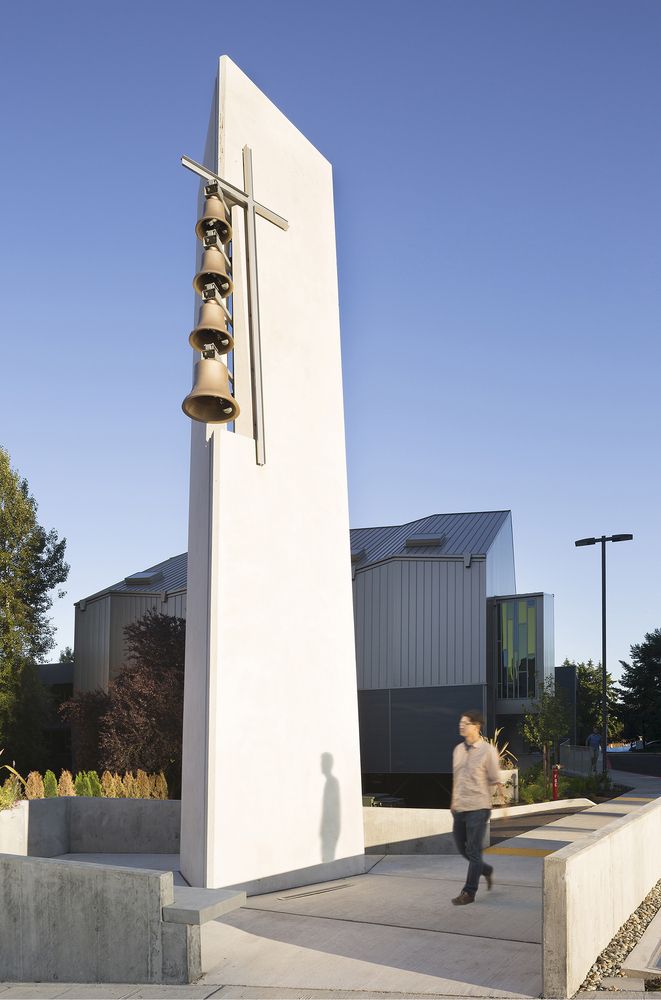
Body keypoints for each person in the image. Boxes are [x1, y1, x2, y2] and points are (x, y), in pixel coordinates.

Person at [450, 710, 502, 906]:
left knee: (473, 851)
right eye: (460, 722)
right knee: (463, 850)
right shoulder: (457, 750)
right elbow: (456, 778)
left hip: (479, 808)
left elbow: (494, 777)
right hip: (460, 808)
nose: (461, 725)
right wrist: (453, 802)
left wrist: (498, 794)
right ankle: (486, 870)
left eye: (465, 723)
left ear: (476, 726)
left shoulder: (488, 750)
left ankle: (468, 892)